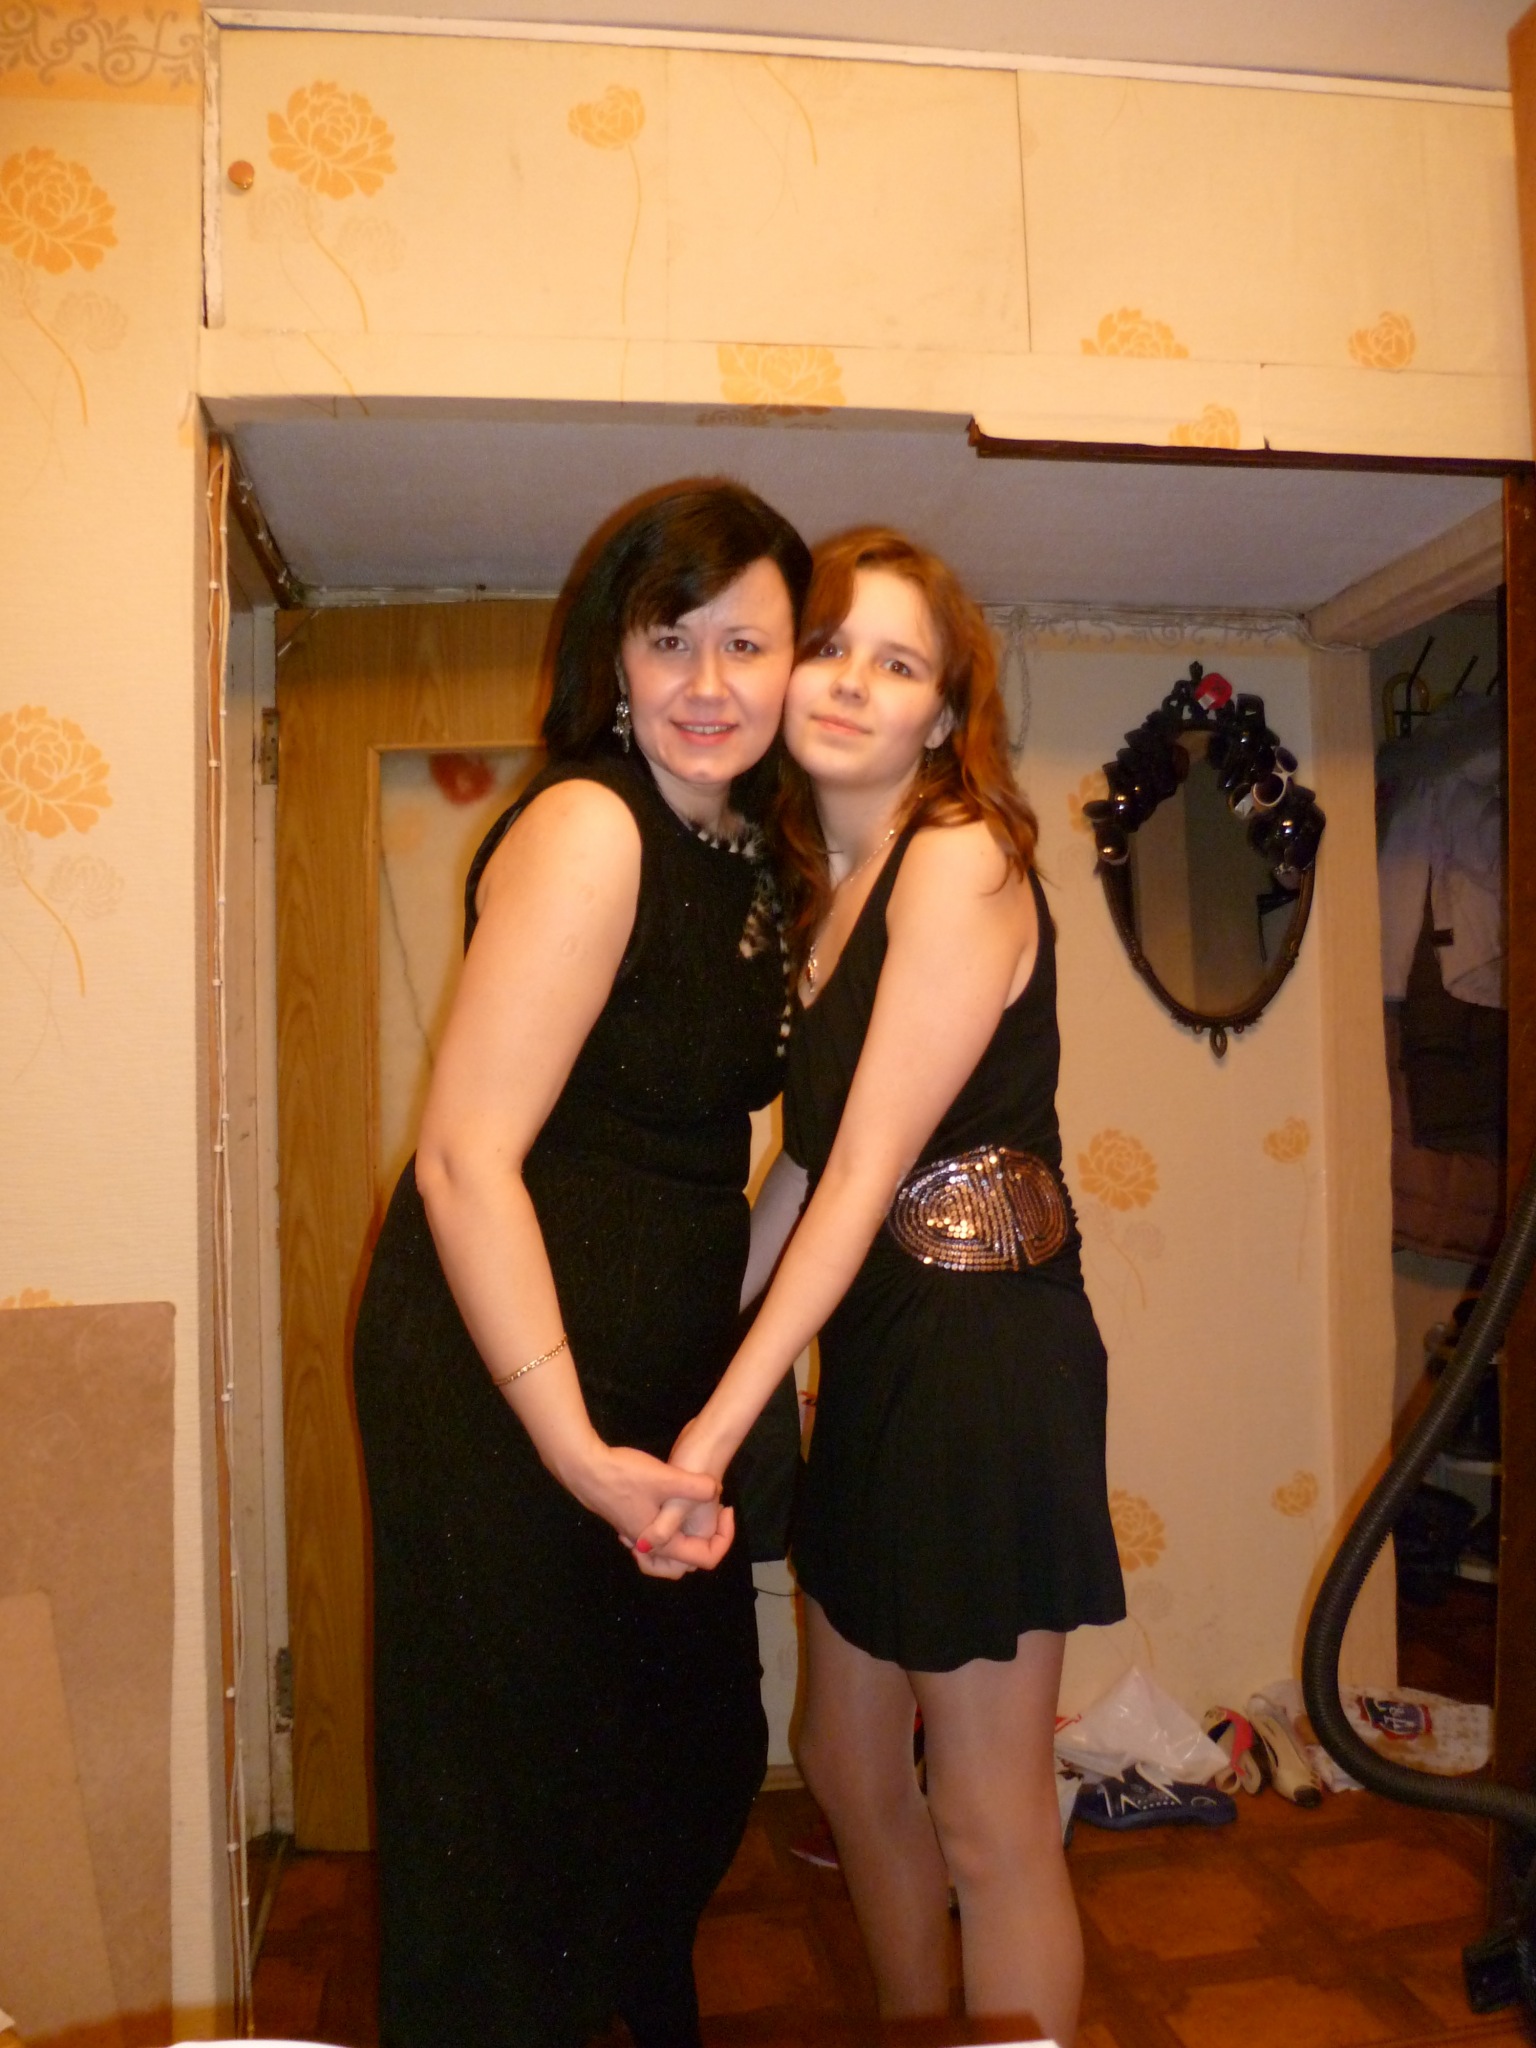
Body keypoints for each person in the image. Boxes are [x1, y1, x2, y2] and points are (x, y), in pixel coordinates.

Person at [644, 528, 1126, 2047]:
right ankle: (921, 2022)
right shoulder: (831, 895)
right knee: (851, 1767)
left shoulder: (962, 853)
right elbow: (801, 1169)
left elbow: (863, 1177)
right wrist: (681, 1349)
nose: (853, 681)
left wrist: (715, 1427)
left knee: (990, 1812)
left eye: (898, 662)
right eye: (830, 646)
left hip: (983, 1359)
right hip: (881, 1358)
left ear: (942, 714)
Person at [352, 479, 812, 2048]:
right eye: (669, 637)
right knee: (511, 1804)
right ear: (613, 655)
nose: (706, 681)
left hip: (651, 1375)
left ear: (794, 662)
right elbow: (463, 1159)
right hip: (504, 1385)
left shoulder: (749, 858)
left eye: (746, 642)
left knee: (692, 1760)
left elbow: (717, 1175)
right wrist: (574, 1451)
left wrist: (726, 1389)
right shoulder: (590, 826)